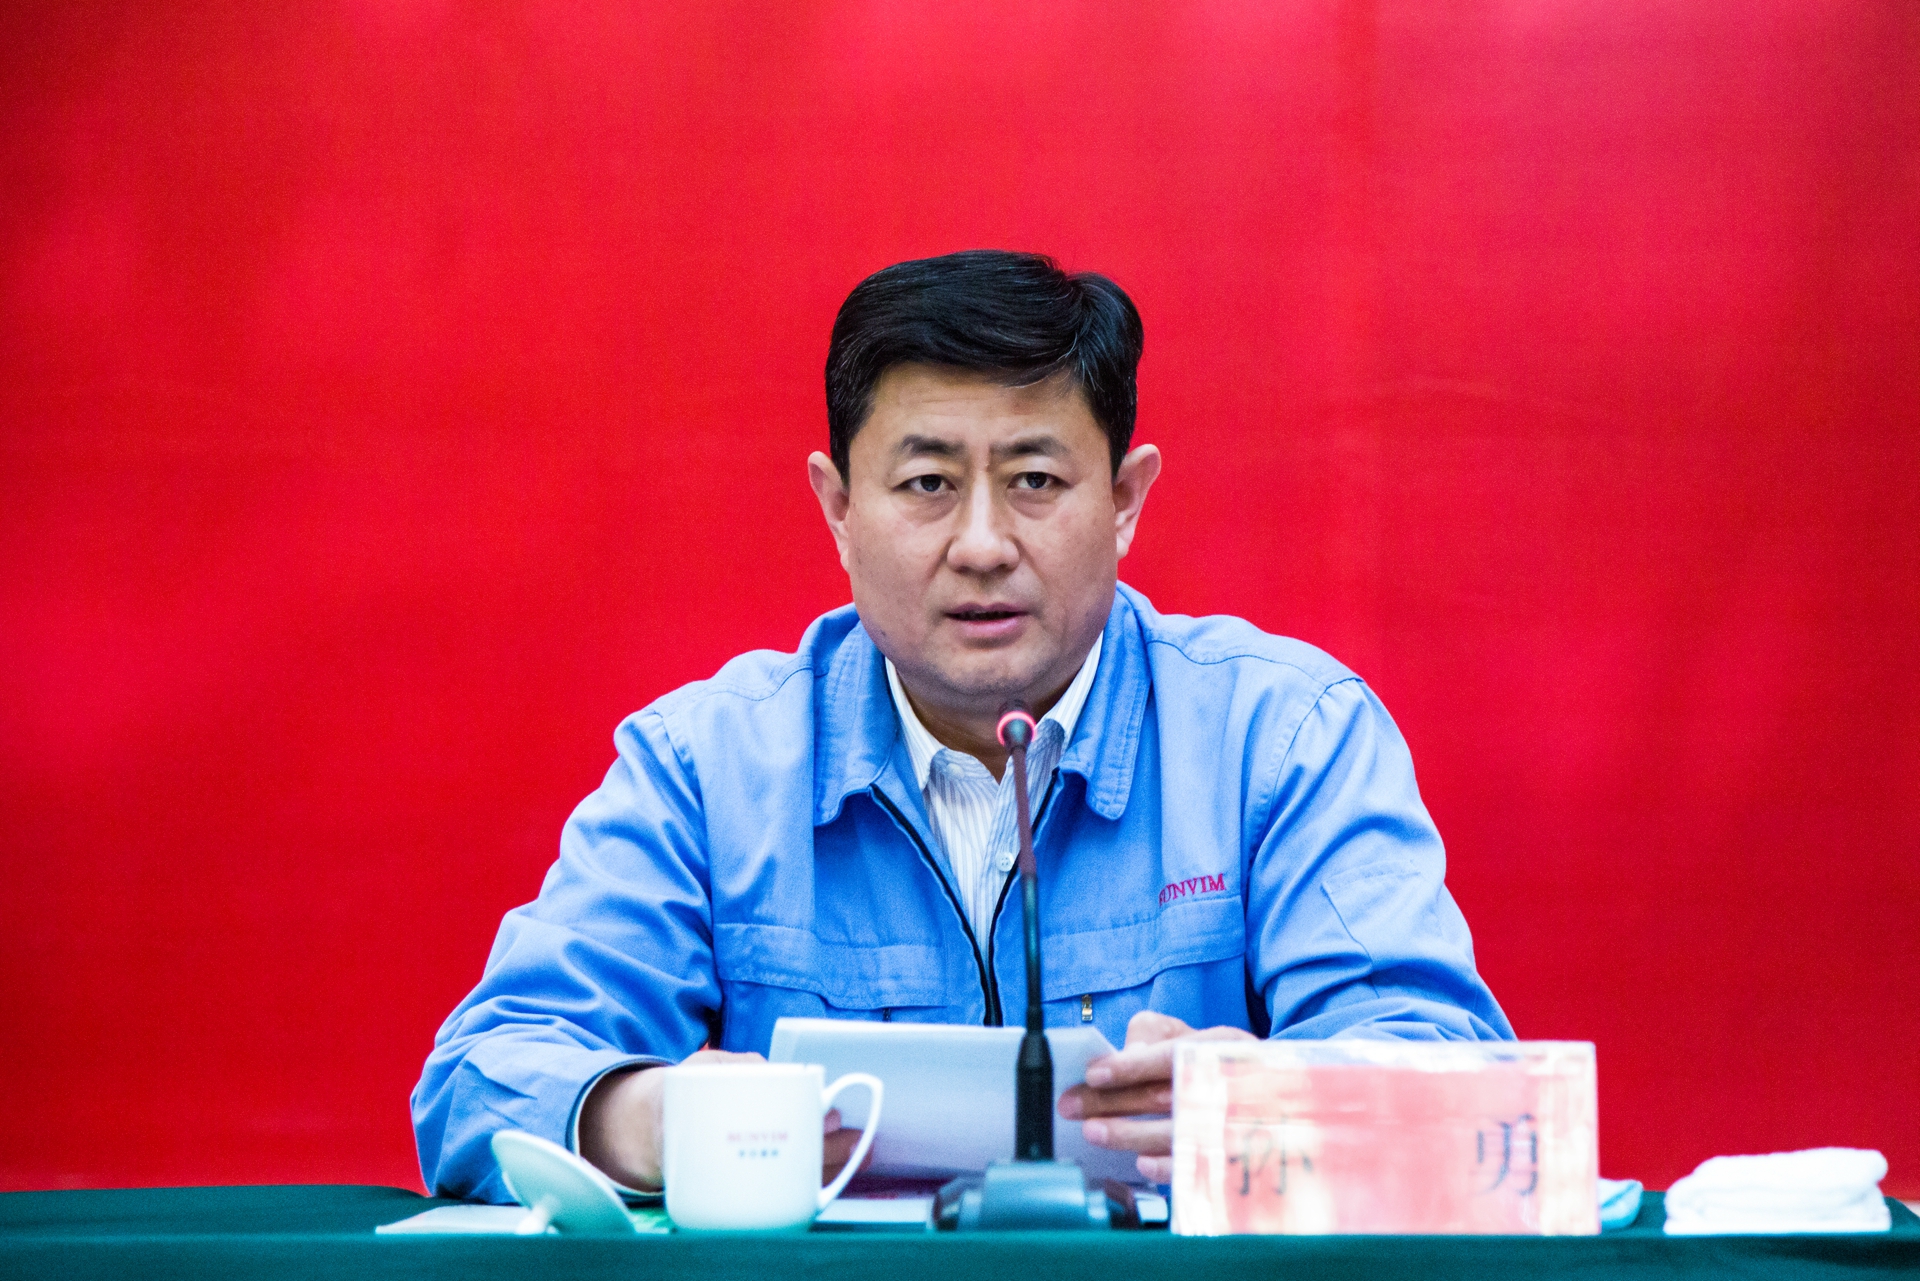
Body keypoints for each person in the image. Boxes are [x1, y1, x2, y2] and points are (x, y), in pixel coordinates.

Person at [412, 250, 1512, 1203]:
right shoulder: (711, 766)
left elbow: (1466, 1089)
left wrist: (1271, 1106)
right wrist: (645, 1120)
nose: (982, 544)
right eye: (928, 483)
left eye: (1035, 478)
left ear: (1125, 501)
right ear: (839, 509)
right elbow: (479, 1079)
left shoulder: (1282, 738)